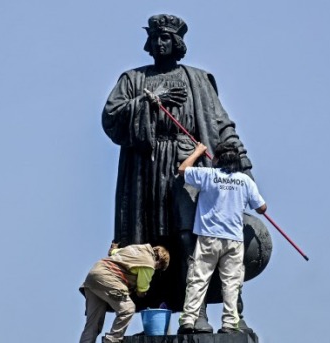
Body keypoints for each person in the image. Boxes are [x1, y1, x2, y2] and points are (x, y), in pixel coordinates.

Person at [102, 14, 256, 325]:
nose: (160, 43)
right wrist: (150, 102)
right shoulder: (132, 80)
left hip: (189, 167)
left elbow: (221, 125)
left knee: (192, 238)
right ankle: (153, 308)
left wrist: (243, 168)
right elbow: (111, 117)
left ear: (178, 43)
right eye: (156, 38)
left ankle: (196, 310)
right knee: (148, 239)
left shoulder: (198, 79)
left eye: (167, 38)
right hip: (146, 170)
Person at [177, 142, 267, 334]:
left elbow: (183, 169)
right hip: (234, 240)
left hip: (208, 237)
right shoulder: (244, 181)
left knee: (198, 280)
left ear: (216, 159)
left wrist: (198, 151)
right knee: (231, 284)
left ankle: (188, 320)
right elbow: (261, 208)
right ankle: (229, 324)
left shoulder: (208, 175)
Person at [79, 243, 170, 343]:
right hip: (108, 278)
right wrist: (141, 292)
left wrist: (114, 247)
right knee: (128, 309)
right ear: (160, 262)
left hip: (93, 276)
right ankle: (112, 340)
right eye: (159, 268)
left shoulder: (135, 248)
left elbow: (112, 252)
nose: (156, 269)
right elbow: (142, 289)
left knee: (93, 324)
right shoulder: (149, 264)